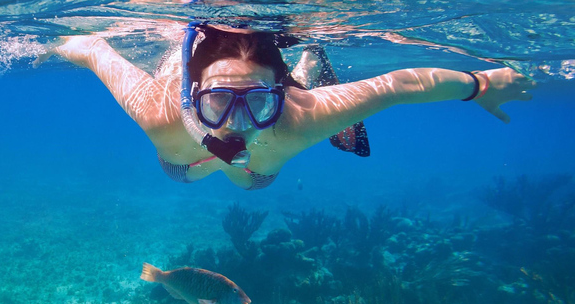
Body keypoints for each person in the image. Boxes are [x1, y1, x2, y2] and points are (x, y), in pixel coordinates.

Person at [34, 22, 534, 190]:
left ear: (280, 96)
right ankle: (185, 65)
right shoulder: (161, 113)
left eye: (257, 102)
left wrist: (479, 84)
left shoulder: (301, 115)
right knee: (196, 170)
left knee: (250, 180)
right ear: (193, 97)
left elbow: (400, 84)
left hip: (259, 169)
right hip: (184, 163)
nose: (236, 122)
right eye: (218, 101)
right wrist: (52, 42)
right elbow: (96, 48)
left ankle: (306, 67)